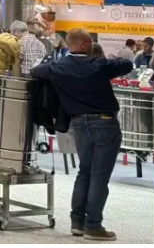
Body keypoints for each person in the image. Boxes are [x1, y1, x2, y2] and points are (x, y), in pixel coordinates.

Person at [31, 28, 134, 241]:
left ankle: (77, 223)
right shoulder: (98, 64)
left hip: (78, 124)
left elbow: (36, 71)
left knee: (84, 172)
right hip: (104, 123)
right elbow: (126, 64)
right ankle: (93, 226)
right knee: (99, 176)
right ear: (85, 44)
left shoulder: (58, 66)